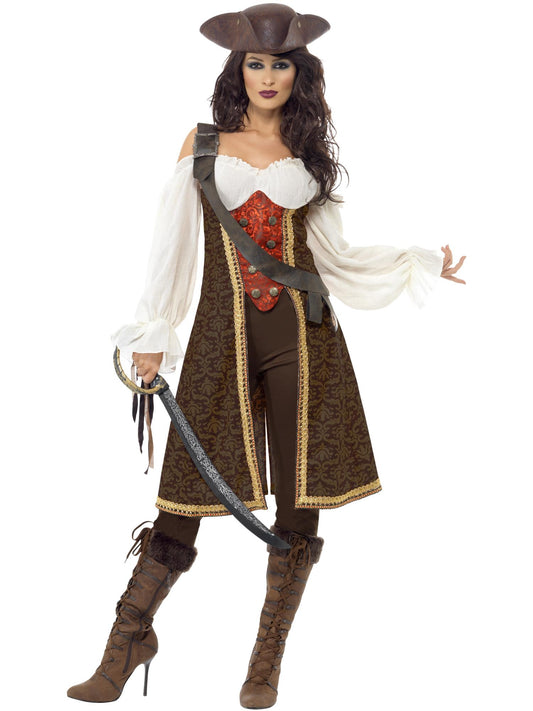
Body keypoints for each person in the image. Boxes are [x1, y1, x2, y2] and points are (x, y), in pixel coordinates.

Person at [67, 3, 466, 708]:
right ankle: (127, 641)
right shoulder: (203, 143)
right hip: (219, 337)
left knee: (299, 494)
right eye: (256, 62)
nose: (268, 75)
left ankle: (264, 663)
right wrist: (153, 334)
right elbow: (171, 244)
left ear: (298, 72)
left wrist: (414, 260)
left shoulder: (307, 157)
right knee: (184, 492)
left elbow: (333, 255)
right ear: (239, 69)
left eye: (281, 63)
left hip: (303, 340)